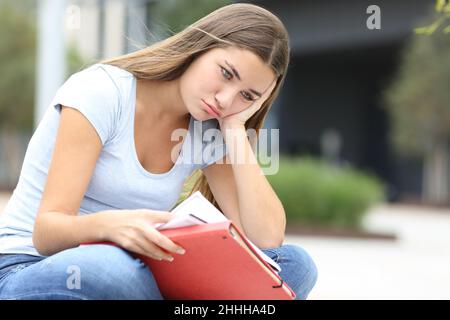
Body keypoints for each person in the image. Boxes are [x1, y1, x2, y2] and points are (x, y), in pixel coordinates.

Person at [0, 3, 317, 300]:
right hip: (30, 265)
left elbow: (266, 238)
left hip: (137, 271)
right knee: (110, 267)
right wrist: (112, 227)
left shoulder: (211, 127)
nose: (225, 99)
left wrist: (235, 130)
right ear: (201, 47)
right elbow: (47, 231)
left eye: (247, 95)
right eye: (226, 73)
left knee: (294, 265)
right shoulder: (103, 92)